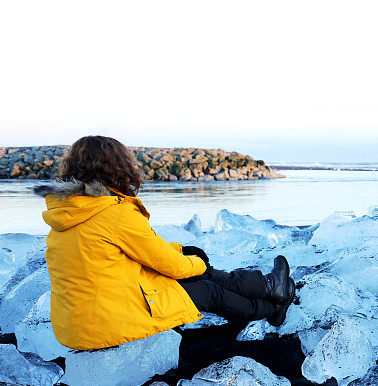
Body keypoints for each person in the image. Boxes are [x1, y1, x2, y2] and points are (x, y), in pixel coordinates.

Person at [33, 135, 295, 351]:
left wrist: (181, 252)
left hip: (76, 328)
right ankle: (272, 307)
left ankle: (268, 287)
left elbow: (134, 253)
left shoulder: (68, 212)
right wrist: (197, 261)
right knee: (207, 288)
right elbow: (174, 267)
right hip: (108, 324)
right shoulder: (112, 212)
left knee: (191, 268)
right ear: (117, 167)